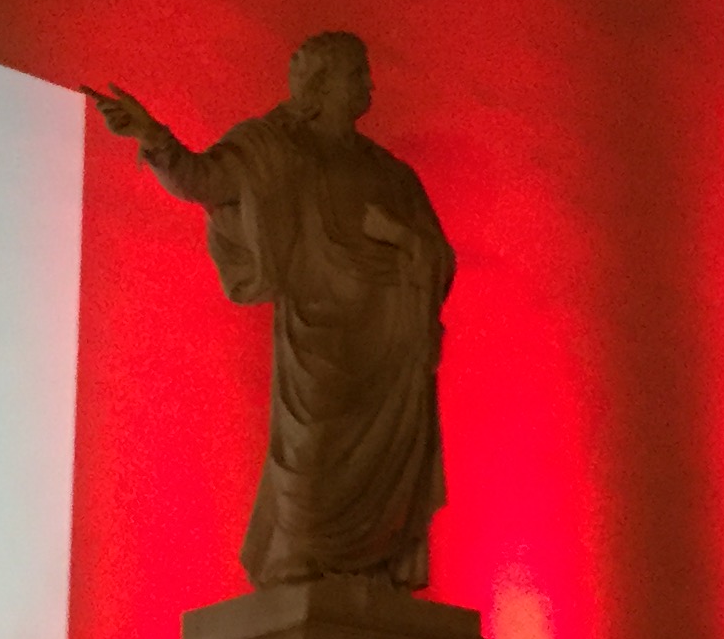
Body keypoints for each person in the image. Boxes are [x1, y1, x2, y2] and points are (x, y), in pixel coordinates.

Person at [88, 33, 453, 589]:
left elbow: (438, 253)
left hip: (388, 351)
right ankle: (298, 558)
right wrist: (153, 137)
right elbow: (203, 179)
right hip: (319, 341)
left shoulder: (391, 175)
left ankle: (377, 564)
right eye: (358, 74)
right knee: (311, 453)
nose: (370, 85)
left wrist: (399, 238)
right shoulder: (274, 149)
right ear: (323, 85)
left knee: (385, 473)